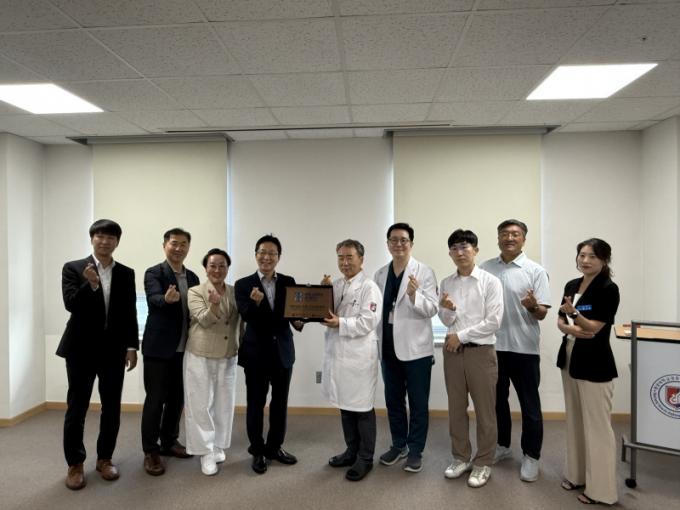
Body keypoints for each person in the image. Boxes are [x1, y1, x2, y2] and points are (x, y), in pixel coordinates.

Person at [56, 219, 138, 490]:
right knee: (77, 407)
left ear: (117, 242)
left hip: (113, 350)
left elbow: (129, 312)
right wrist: (90, 284)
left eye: (110, 237)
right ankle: (75, 464)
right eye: (100, 236)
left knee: (111, 407)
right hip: (80, 349)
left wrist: (131, 347)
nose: (105, 241)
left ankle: (105, 459)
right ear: (92, 238)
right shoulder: (73, 268)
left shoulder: (125, 273)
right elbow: (70, 304)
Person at [480, 219, 551, 482]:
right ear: (498, 238)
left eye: (515, 234)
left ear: (523, 239)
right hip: (492, 347)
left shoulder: (535, 270)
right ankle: (502, 445)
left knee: (530, 406)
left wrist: (532, 306)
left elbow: (542, 313)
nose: (509, 238)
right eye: (505, 234)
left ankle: (531, 456)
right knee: (497, 403)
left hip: (524, 349)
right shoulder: (485, 268)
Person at [439, 229, 503, 488]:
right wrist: (449, 311)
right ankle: (461, 458)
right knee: (456, 409)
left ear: (475, 250)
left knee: (485, 411)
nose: (460, 252)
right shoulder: (446, 283)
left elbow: (494, 321)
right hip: (452, 352)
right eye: (454, 248)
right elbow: (445, 319)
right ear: (450, 253)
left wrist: (461, 336)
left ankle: (483, 462)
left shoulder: (490, 282)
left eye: (465, 247)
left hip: (480, 352)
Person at [557, 238, 620, 505]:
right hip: (570, 356)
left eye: (592, 256)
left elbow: (594, 328)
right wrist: (570, 326)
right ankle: (576, 475)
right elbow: (561, 320)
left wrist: (574, 318)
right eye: (582, 255)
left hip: (595, 362)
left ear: (604, 260)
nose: (585, 260)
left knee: (597, 427)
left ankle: (601, 491)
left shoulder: (608, 288)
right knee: (575, 420)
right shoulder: (572, 285)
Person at [234, 234, 304, 474]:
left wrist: (300, 320)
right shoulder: (243, 284)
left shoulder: (288, 281)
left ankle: (274, 447)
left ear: (278, 257)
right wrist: (256, 303)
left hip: (283, 351)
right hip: (256, 354)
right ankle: (257, 450)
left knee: (280, 403)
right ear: (256, 255)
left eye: (272, 253)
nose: (267, 257)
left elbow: (293, 314)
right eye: (262, 252)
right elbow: (246, 316)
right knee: (256, 404)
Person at [374, 222, 438, 473]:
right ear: (387, 244)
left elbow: (432, 309)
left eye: (403, 240)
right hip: (388, 347)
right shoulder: (380, 274)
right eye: (394, 240)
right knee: (393, 401)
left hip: (416, 350)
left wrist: (414, 295)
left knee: (418, 403)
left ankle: (415, 450)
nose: (398, 244)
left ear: (411, 243)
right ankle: (398, 444)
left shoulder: (425, 272)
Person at [320, 240, 383, 481]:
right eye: (341, 257)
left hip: (359, 358)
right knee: (345, 407)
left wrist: (341, 323)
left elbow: (369, 321)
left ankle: (365, 458)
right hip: (339, 355)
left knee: (362, 409)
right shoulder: (336, 285)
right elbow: (325, 313)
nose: (345, 262)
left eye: (350, 257)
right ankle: (351, 451)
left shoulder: (369, 287)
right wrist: (322, 293)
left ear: (361, 259)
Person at [140, 228, 199, 476]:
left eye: (183, 244)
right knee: (155, 400)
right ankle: (151, 450)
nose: (178, 248)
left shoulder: (193, 276)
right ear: (165, 245)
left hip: (185, 349)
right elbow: (153, 299)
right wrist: (166, 299)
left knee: (177, 399)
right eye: (174, 243)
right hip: (158, 348)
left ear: (188, 248)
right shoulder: (154, 273)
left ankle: (169, 441)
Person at [184, 248, 241, 476]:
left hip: (228, 354)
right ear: (205, 268)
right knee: (200, 404)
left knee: (224, 403)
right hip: (201, 354)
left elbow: (242, 320)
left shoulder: (235, 291)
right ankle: (205, 451)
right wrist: (215, 305)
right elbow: (204, 320)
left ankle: (217, 444)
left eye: (222, 265)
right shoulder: (195, 291)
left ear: (227, 268)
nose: (217, 270)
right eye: (212, 265)